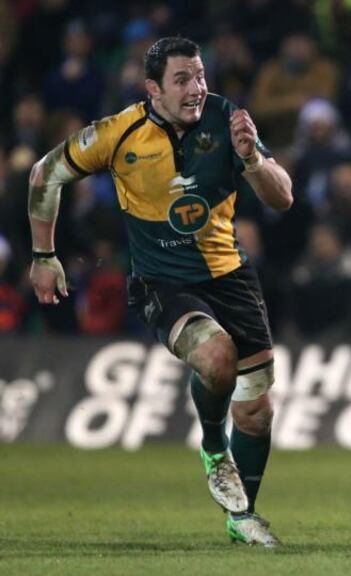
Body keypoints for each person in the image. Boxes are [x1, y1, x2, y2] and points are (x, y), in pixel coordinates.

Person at [26, 37, 292, 548]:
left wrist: (253, 160)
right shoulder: (117, 132)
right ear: (153, 88)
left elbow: (283, 197)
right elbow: (45, 174)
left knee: (257, 410)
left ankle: (243, 517)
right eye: (182, 80)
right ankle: (215, 450)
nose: (197, 89)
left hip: (231, 276)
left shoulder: (228, 117)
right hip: (161, 282)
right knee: (217, 358)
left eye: (201, 77)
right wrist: (43, 255)